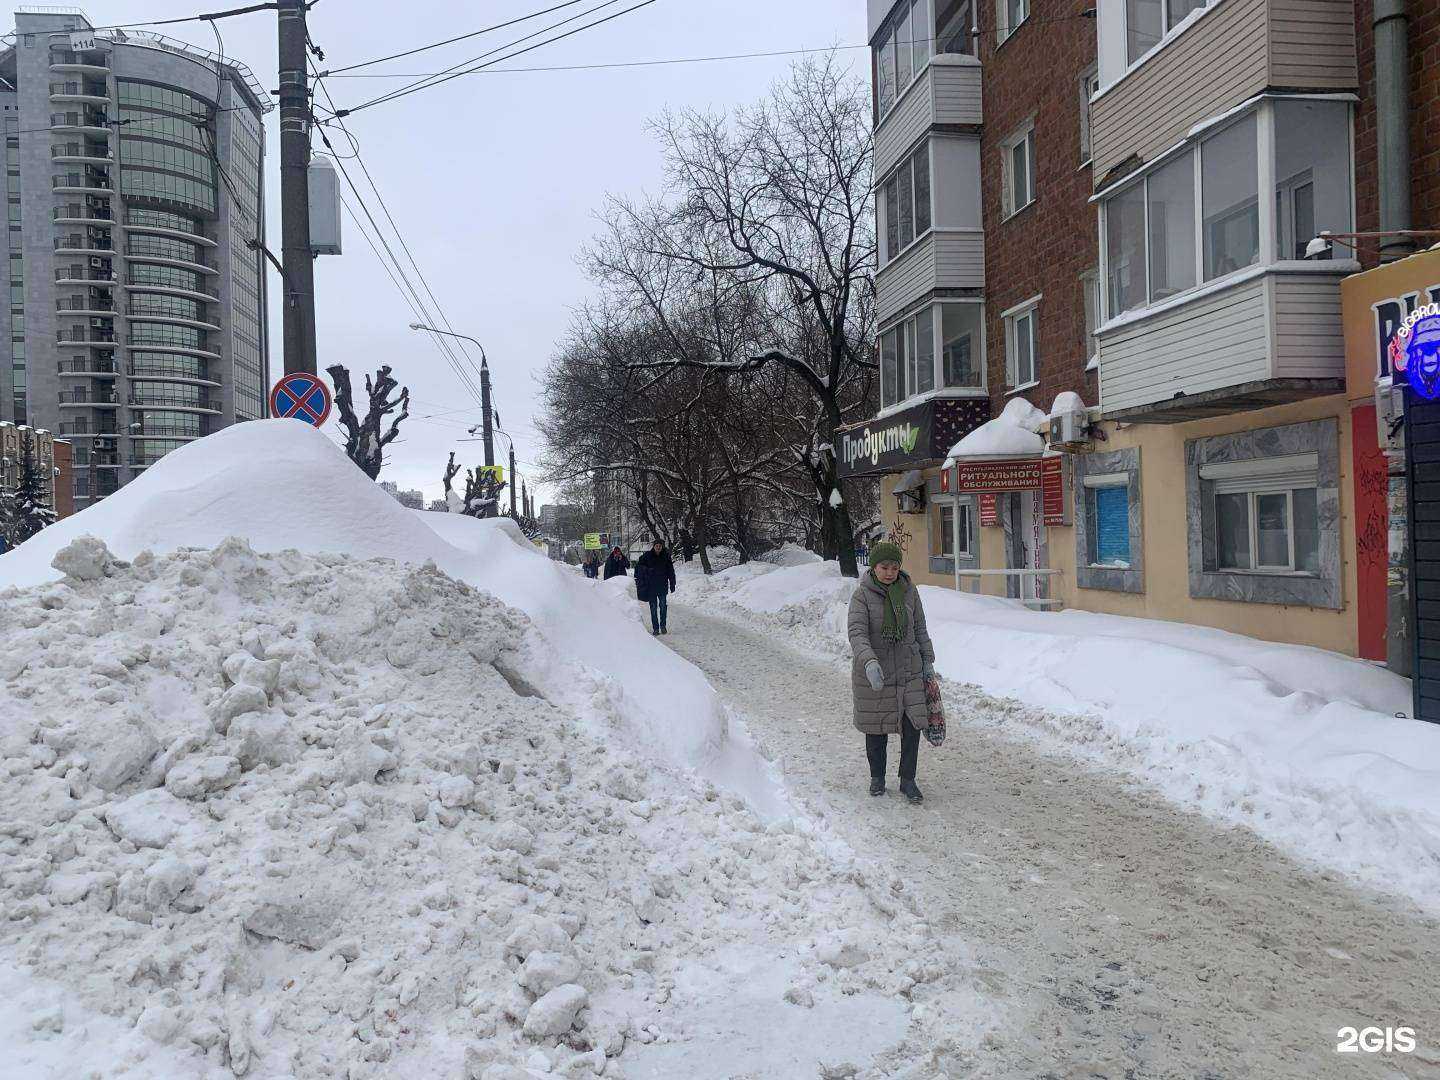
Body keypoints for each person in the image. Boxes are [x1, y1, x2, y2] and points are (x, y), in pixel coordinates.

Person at [847, 541, 934, 804]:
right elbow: (857, 633)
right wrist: (869, 661)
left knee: (912, 726)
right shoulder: (862, 596)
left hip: (909, 670)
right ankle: (877, 778)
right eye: (884, 567)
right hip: (876, 672)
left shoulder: (909, 592)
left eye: (894, 568)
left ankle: (908, 780)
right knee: (876, 728)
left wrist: (927, 661)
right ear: (874, 567)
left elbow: (920, 628)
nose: (889, 573)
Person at [635, 539, 677, 635]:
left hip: (662, 586)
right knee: (653, 609)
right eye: (656, 546)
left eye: (660, 546)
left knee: (663, 607)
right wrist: (647, 570)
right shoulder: (647, 556)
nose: (658, 547)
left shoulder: (666, 556)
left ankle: (663, 626)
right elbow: (638, 567)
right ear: (653, 546)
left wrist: (672, 583)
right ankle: (656, 628)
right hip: (651, 587)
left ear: (662, 547)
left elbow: (671, 571)